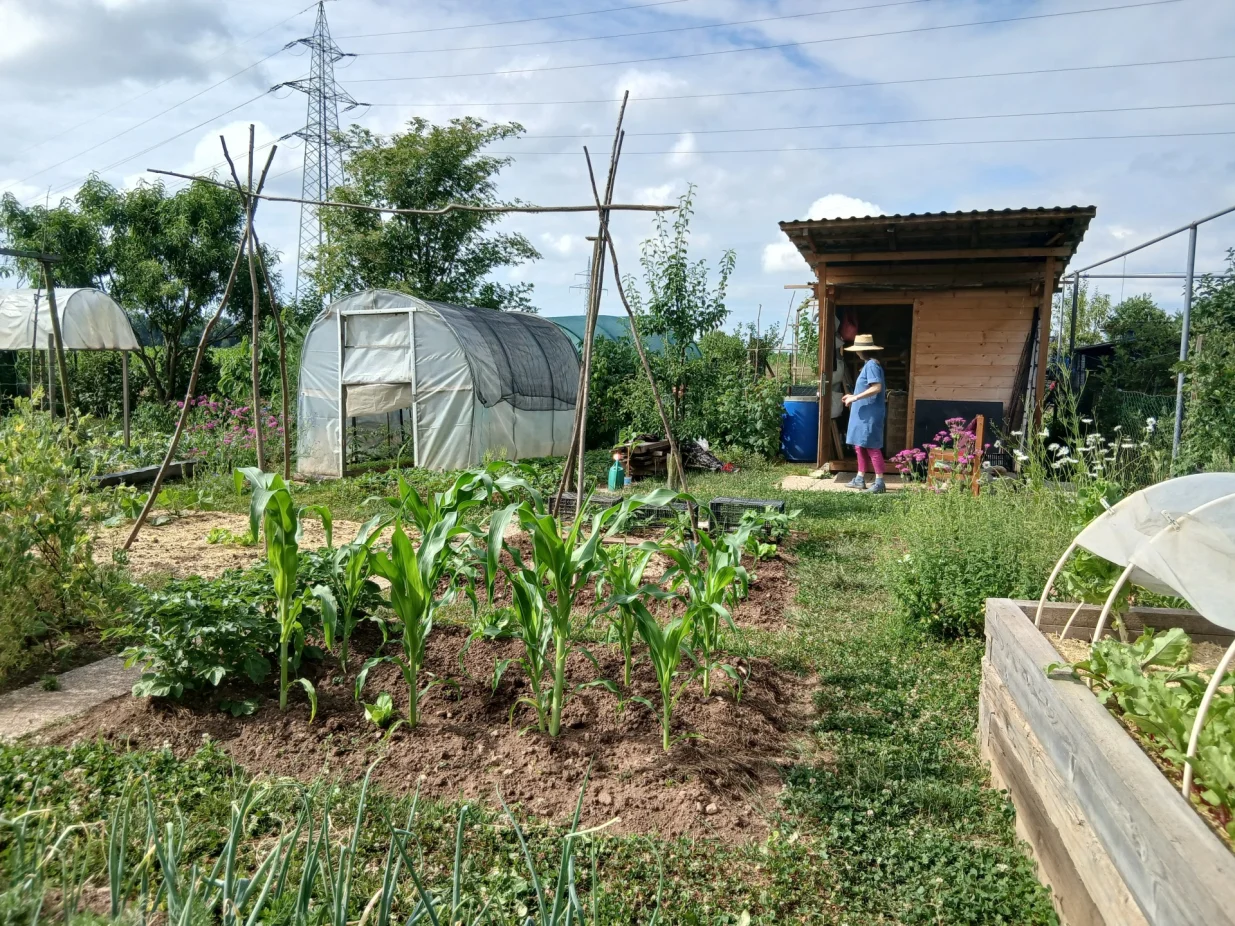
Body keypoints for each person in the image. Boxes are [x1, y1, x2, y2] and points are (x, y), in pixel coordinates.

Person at [841, 333, 887, 493]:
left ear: (862, 350)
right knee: (859, 445)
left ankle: (880, 482)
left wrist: (854, 398)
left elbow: (876, 387)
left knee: (872, 446)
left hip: (870, 414)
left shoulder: (872, 365)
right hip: (862, 414)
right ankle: (860, 478)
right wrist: (853, 396)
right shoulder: (868, 364)